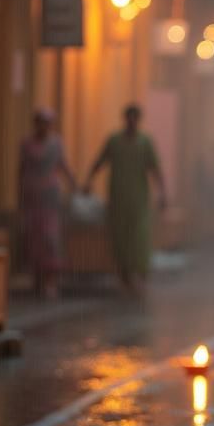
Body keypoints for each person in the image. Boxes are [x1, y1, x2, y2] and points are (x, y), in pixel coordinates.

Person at [84, 105, 166, 296]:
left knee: (139, 236)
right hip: (118, 197)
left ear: (138, 120)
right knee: (120, 235)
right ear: (124, 119)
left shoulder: (145, 142)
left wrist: (163, 193)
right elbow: (100, 161)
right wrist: (89, 180)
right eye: (129, 118)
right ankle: (124, 274)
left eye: (134, 119)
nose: (131, 122)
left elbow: (155, 169)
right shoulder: (114, 141)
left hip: (138, 198)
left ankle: (140, 273)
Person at [18, 108, 76, 299]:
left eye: (48, 123)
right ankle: (37, 278)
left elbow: (63, 165)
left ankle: (51, 280)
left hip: (50, 196)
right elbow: (21, 169)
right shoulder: (26, 143)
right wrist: (20, 195)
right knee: (33, 237)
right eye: (41, 122)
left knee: (50, 237)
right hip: (32, 195)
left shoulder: (56, 143)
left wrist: (74, 184)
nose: (44, 127)